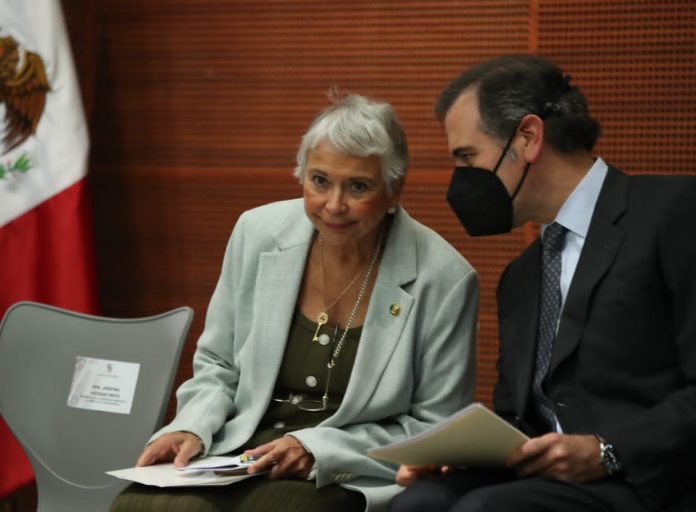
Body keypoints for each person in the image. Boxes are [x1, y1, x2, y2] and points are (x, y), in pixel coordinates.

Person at [390, 55, 696, 512]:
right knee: (418, 502)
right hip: (551, 485)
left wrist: (610, 451)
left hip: (661, 483)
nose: (462, 179)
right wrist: (457, 458)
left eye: (468, 157)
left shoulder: (675, 211)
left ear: (528, 138)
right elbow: (521, 423)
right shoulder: (521, 277)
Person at [111, 93, 479, 512]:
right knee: (143, 507)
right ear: (302, 175)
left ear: (395, 191)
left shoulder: (444, 278)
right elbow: (218, 364)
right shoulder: (257, 232)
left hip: (346, 467)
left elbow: (435, 428)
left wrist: (317, 448)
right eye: (320, 181)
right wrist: (192, 428)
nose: (334, 205)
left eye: (358, 186)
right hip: (240, 448)